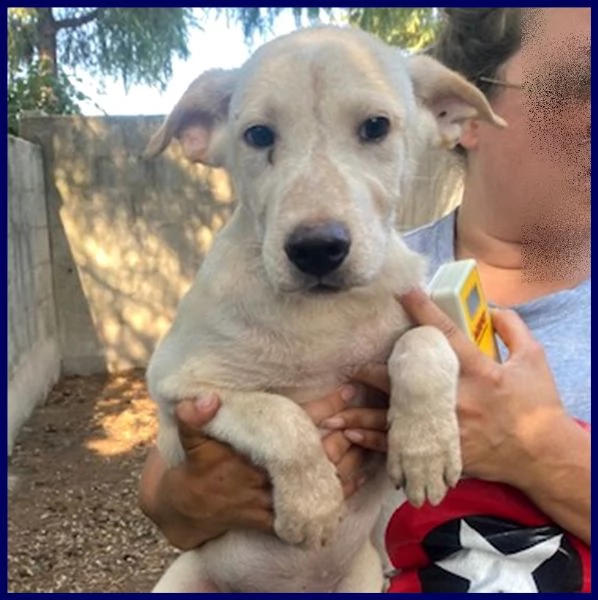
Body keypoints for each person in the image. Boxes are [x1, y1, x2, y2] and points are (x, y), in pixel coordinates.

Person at [138, 7, 590, 592]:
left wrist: (535, 450)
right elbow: (168, 498)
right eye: (581, 84)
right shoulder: (379, 282)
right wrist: (201, 490)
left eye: (372, 128)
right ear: (462, 113)